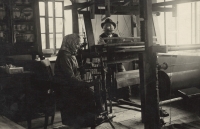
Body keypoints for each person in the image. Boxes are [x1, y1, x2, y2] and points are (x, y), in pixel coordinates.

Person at [54, 33, 104, 128]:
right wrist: (86, 83)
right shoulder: (64, 56)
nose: (78, 46)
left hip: (71, 84)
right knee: (90, 94)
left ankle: (95, 117)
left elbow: (73, 71)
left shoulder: (69, 54)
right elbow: (70, 77)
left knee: (92, 92)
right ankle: (92, 119)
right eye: (77, 44)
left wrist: (83, 68)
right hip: (66, 88)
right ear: (71, 43)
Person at [99, 18, 132, 102]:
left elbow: (120, 45)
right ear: (104, 28)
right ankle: (111, 96)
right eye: (107, 27)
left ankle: (126, 96)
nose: (109, 28)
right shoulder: (101, 37)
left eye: (110, 26)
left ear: (113, 28)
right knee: (109, 78)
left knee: (123, 75)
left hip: (117, 59)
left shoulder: (116, 36)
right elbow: (101, 47)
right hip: (107, 60)